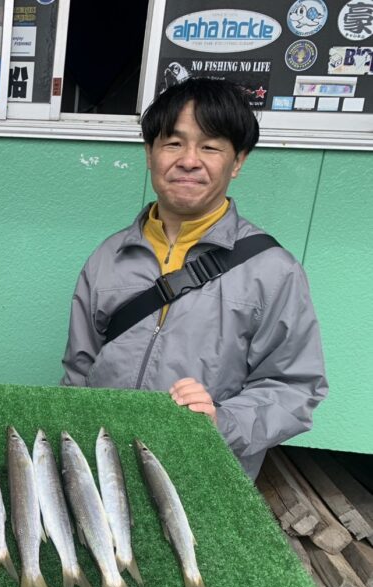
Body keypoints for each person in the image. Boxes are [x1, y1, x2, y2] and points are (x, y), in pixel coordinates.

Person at [61, 78, 327, 479]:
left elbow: (295, 387)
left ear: (237, 162)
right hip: (108, 467)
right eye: (173, 143)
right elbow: (78, 371)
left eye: (210, 147)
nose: (188, 160)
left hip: (206, 474)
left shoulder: (273, 270)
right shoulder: (107, 258)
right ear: (149, 153)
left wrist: (223, 422)